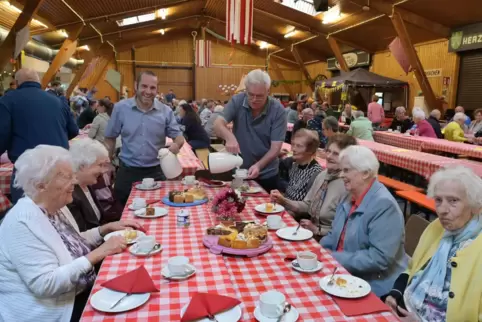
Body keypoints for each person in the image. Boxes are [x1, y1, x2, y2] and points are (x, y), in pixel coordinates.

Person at [0, 145, 143, 321]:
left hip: (77, 290)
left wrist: (104, 229)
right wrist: (99, 253)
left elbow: (73, 242)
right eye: (67, 177)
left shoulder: (54, 207)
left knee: (136, 276)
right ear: (41, 185)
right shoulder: (21, 223)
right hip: (56, 311)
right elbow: (45, 284)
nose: (74, 182)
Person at [384, 166, 482, 321]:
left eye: (453, 201)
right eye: (438, 200)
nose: (442, 210)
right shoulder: (436, 228)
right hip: (407, 307)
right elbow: (412, 269)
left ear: (474, 205)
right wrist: (396, 293)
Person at [320, 145, 408, 296]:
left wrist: (333, 257)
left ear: (366, 173)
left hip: (373, 285)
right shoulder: (349, 196)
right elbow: (335, 234)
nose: (341, 175)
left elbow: (379, 258)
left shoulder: (384, 206)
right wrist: (318, 250)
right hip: (343, 271)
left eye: (346, 170)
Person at [105, 71, 185, 205]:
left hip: (157, 172)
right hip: (127, 172)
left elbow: (179, 137)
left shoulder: (166, 111)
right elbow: (110, 138)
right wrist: (107, 163)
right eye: (144, 86)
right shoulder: (120, 108)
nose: (148, 91)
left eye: (152, 88)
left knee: (158, 212)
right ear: (136, 86)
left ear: (157, 89)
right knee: (123, 213)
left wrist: (177, 144)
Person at [0, 68, 78, 204]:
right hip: (60, 167)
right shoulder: (58, 101)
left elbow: (1, 135)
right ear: (39, 82)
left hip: (29, 170)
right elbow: (73, 130)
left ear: (16, 83)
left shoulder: (8, 100)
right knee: (59, 214)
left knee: (29, 213)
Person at [214, 69, 287, 192]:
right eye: (250, 94)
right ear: (246, 90)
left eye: (260, 96)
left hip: (267, 174)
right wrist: (229, 137)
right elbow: (217, 124)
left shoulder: (278, 110)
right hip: (239, 171)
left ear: (268, 91)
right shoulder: (237, 100)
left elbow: (275, 148)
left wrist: (259, 165)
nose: (254, 99)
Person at [272, 134, 356, 240]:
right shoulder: (322, 175)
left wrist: (317, 230)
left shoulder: (348, 185)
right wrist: (283, 201)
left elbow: (347, 229)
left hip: (329, 240)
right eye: (328, 151)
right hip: (310, 233)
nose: (329, 156)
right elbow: (308, 205)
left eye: (335, 154)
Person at [68, 138, 121, 231]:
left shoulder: (87, 184)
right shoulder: (71, 195)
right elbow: (82, 236)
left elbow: (99, 221)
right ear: (82, 166)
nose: (104, 171)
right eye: (100, 165)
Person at [276, 129, 322, 201]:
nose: (293, 149)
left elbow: (308, 206)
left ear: (310, 150)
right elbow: (288, 193)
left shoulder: (316, 173)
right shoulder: (295, 165)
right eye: (293, 144)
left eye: (299, 146)